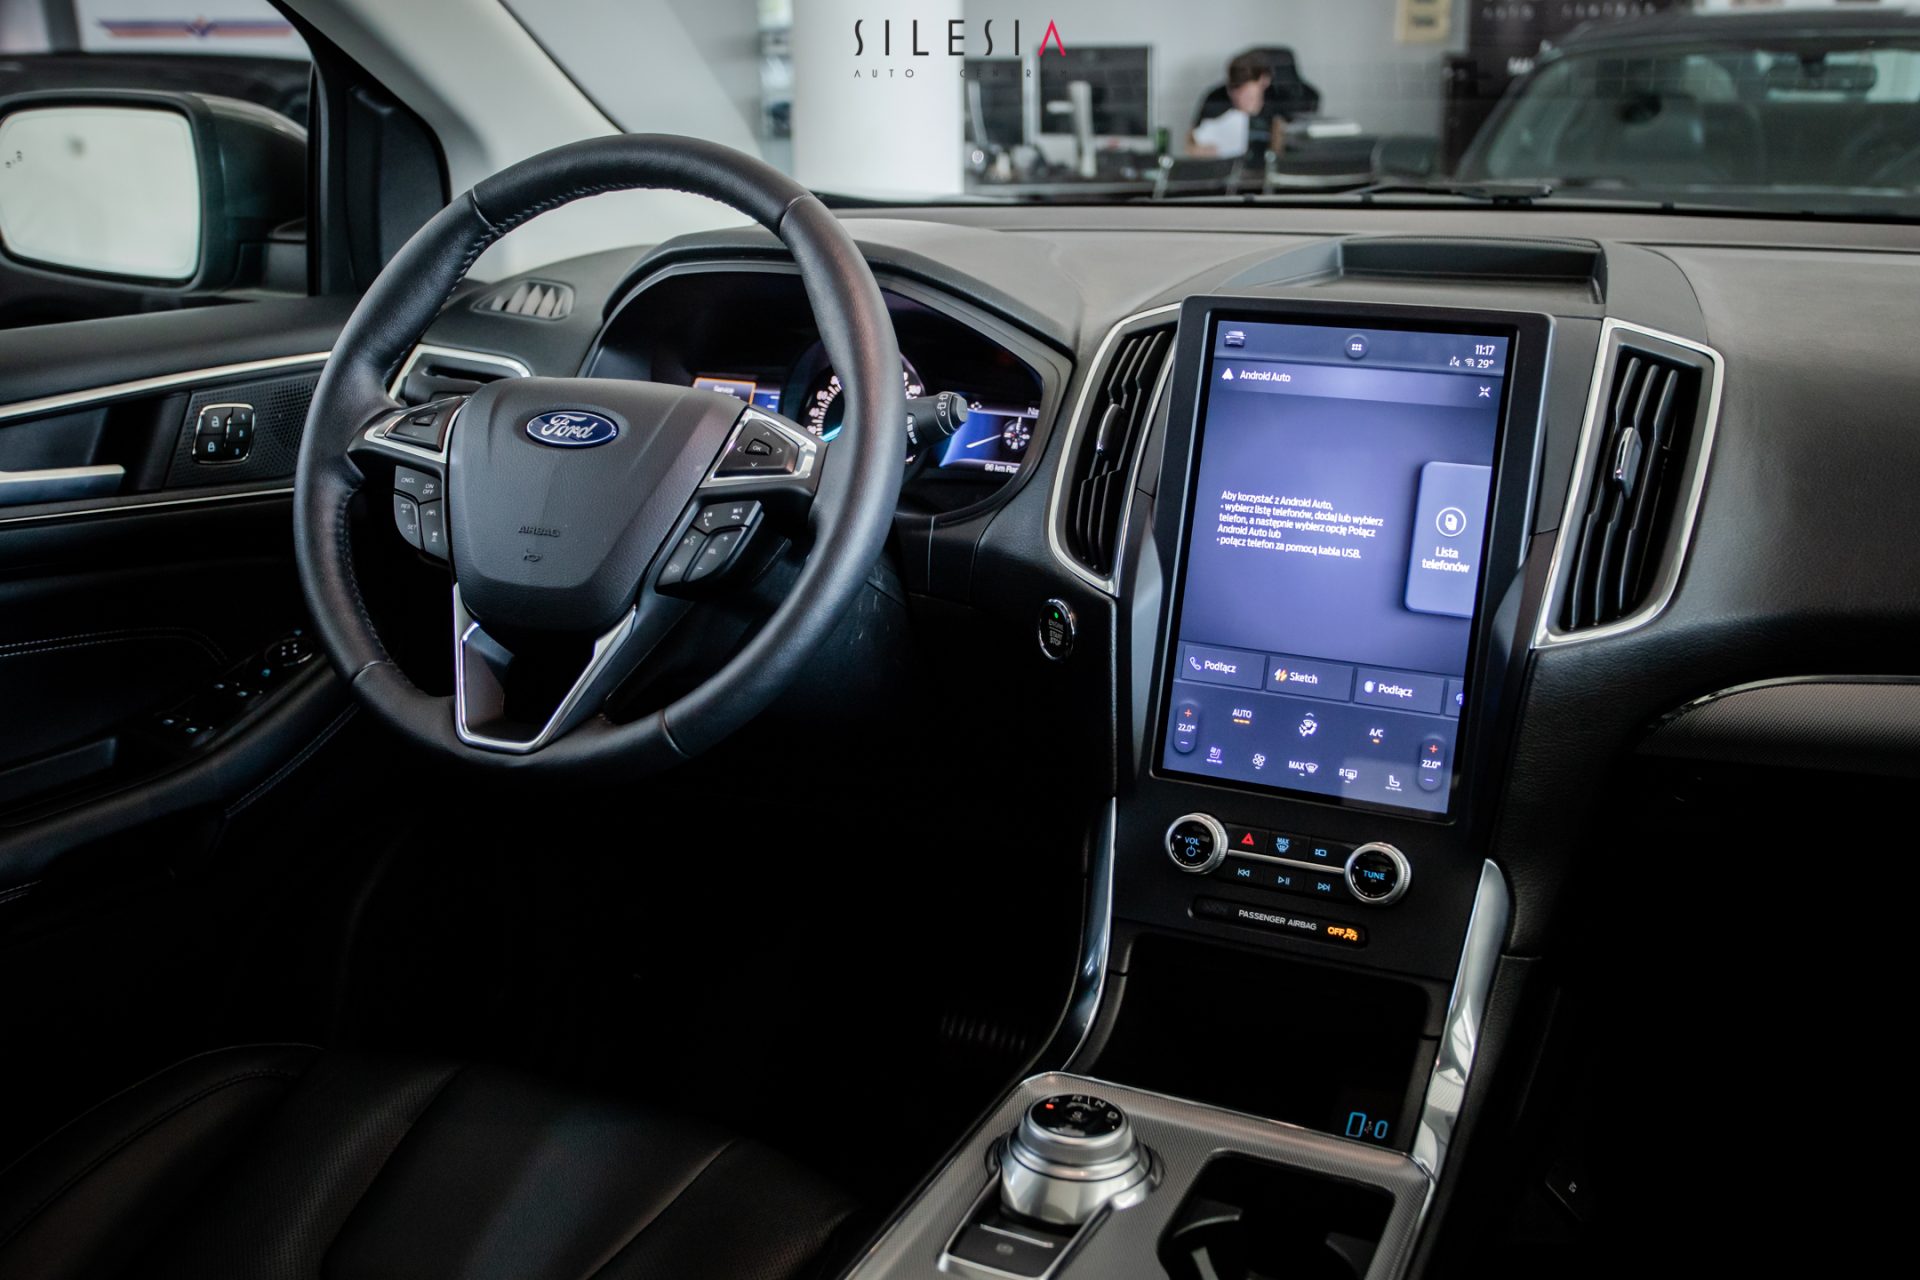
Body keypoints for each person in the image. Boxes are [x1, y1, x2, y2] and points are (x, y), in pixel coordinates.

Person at [1189, 51, 1276, 158]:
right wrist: (1197, 150)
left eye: (1248, 96)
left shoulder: (1276, 99)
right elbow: (1191, 140)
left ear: (1264, 82)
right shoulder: (1216, 99)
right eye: (1235, 93)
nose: (1240, 100)